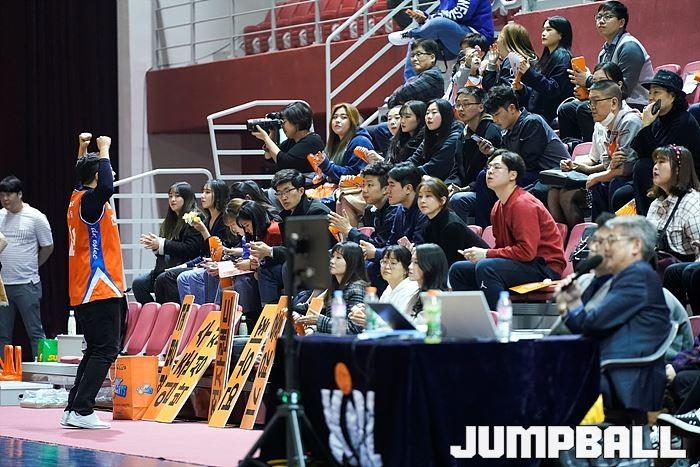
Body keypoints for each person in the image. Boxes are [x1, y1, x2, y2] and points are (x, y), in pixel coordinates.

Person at [555, 215, 671, 422]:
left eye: (612, 241)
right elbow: (588, 328)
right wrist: (571, 304)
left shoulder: (637, 275)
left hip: (626, 375)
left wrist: (575, 307)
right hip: (610, 368)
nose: (605, 248)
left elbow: (591, 325)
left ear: (635, 246)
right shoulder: (631, 275)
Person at [449, 151, 566, 309]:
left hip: (544, 268)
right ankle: (473, 318)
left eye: (497, 167)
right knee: (458, 270)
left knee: (486, 267)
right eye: (489, 167)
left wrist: (486, 254)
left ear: (513, 175)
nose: (490, 171)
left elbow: (527, 252)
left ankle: (498, 320)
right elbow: (504, 248)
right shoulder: (497, 207)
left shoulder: (523, 204)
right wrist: (482, 256)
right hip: (522, 263)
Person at [64, 133, 125, 429]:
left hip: (85, 289)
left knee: (94, 350)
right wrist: (104, 149)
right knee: (105, 350)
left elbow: (83, 176)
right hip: (99, 286)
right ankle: (83, 409)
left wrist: (82, 148)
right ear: (98, 175)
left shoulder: (78, 197)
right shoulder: (91, 201)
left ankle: (73, 408)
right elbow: (106, 187)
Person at [468, 85, 567, 226]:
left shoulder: (532, 121)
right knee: (487, 175)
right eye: (492, 116)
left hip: (548, 174)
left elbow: (528, 162)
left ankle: (488, 226)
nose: (495, 120)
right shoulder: (508, 130)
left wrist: (498, 159)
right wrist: (492, 152)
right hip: (528, 173)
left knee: (488, 176)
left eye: (497, 114)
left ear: (512, 108)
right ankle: (489, 227)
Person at [548, 80, 641, 228]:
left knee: (603, 185)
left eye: (596, 101)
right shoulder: (605, 124)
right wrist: (577, 166)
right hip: (612, 176)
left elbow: (625, 169)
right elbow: (608, 164)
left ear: (614, 103)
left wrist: (597, 176)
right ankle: (578, 238)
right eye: (590, 101)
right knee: (553, 191)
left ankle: (605, 234)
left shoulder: (630, 121)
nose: (591, 107)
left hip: (631, 180)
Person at [561, 0, 654, 141]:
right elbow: (604, 84)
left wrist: (588, 80)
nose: (601, 21)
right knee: (567, 109)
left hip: (635, 104)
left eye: (608, 17)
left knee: (585, 109)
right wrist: (587, 92)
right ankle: (574, 147)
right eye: (598, 17)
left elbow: (624, 89)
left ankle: (594, 148)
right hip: (611, 102)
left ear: (621, 22)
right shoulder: (603, 52)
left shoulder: (629, 47)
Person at [253, 169, 332, 304]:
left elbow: (305, 252)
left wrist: (270, 251)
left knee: (288, 266)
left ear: (301, 191)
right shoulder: (287, 214)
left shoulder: (316, 212)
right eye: (279, 193)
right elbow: (289, 248)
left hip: (322, 265)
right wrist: (263, 258)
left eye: (287, 191)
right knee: (265, 270)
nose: (283, 197)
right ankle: (270, 312)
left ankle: (294, 310)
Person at [631, 70, 700, 215]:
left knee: (642, 167)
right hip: (661, 174)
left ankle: (649, 222)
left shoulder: (684, 122)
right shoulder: (656, 119)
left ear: (672, 96)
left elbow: (663, 158)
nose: (651, 97)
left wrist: (646, 126)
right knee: (620, 193)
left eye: (656, 92)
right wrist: (646, 125)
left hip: (683, 179)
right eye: (650, 93)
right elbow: (640, 153)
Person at [0, 176, 53, 360]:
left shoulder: (35, 217)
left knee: (35, 331)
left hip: (27, 283)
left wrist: (34, 265)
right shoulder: (0, 216)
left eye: (9, 194)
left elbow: (48, 246)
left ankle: (43, 370)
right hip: (3, 285)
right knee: (3, 334)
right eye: (2, 195)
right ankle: (3, 371)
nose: (5, 199)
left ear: (20, 194)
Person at [388, 0, 494, 81]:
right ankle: (410, 84)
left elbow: (460, 14)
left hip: (476, 39)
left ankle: (411, 33)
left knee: (438, 23)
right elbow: (444, 16)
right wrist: (426, 18)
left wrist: (431, 20)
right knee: (418, 42)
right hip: (453, 44)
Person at [131, 182, 201, 305]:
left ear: (187, 197)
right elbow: (165, 248)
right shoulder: (169, 221)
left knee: (163, 278)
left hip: (185, 265)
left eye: (177, 196)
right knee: (139, 284)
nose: (172, 200)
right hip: (165, 267)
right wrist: (156, 246)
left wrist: (162, 244)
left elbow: (191, 249)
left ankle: (168, 312)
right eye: (170, 196)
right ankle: (156, 312)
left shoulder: (194, 218)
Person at [646, 145, 700, 302]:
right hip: (658, 267)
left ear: (678, 170)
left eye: (662, 162)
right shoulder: (655, 204)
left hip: (685, 269)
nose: (655, 167)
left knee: (673, 271)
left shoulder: (692, 203)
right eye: (655, 162)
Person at [448, 86, 503, 223]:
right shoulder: (463, 134)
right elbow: (457, 169)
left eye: (466, 104)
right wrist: (450, 185)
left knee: (458, 199)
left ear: (481, 107)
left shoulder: (491, 131)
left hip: (487, 191)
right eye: (458, 104)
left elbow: (490, 171)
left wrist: (465, 188)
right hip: (467, 188)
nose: (461, 109)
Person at [172, 179, 231, 305]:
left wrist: (204, 231)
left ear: (218, 196)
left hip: (221, 264)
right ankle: (191, 313)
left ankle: (203, 311)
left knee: (189, 277)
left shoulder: (224, 220)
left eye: (207, 192)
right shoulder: (207, 220)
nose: (202, 196)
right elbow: (203, 254)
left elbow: (218, 252)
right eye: (203, 192)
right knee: (181, 277)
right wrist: (185, 265)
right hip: (206, 263)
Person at [295, 241, 367, 334]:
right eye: (332, 257)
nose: (332, 261)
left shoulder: (356, 289)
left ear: (352, 262)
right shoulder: (336, 286)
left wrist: (319, 320)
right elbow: (313, 308)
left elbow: (353, 328)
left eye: (338, 258)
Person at [517, 16, 574, 124]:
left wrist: (529, 73)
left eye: (549, 30)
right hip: (539, 115)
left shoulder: (563, 56)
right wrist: (522, 89)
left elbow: (553, 89)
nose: (543, 33)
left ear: (561, 35)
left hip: (552, 116)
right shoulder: (547, 57)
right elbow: (537, 91)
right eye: (543, 29)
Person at [417, 177, 487, 265]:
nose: (422, 201)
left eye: (428, 196)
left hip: (477, 267)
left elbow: (451, 262)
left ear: (442, 200)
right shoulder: (427, 224)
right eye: (420, 196)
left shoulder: (452, 225)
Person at [329, 161, 397, 249]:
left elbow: (379, 246)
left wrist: (349, 230)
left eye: (370, 185)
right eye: (363, 185)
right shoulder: (369, 211)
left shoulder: (394, 212)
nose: (364, 190)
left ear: (385, 189)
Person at [251, 101, 325, 173]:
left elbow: (284, 163)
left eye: (284, 122)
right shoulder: (293, 140)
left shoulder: (312, 141)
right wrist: (272, 134)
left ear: (296, 121)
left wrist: (266, 138)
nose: (282, 126)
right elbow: (270, 158)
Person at [317, 103, 373, 183]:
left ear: (353, 121)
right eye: (334, 117)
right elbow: (331, 171)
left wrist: (327, 167)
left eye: (344, 117)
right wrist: (323, 176)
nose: (337, 120)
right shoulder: (334, 142)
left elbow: (355, 175)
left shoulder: (361, 141)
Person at [409, 98, 462, 182]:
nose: (429, 117)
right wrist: (398, 170)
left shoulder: (455, 137)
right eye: (427, 113)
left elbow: (432, 169)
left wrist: (404, 173)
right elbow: (413, 160)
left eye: (434, 112)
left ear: (445, 115)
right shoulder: (431, 134)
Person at [386, 39, 445, 108]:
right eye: (412, 56)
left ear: (432, 57)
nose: (414, 59)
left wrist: (396, 96)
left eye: (418, 54)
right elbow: (391, 102)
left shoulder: (433, 76)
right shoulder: (417, 78)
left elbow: (404, 93)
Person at [482, 22, 538, 93]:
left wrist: (491, 66)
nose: (497, 42)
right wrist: (492, 64)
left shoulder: (510, 61)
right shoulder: (533, 58)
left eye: (499, 37)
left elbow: (498, 93)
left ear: (506, 41)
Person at [409, 243, 449, 321]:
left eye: (416, 263)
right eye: (411, 261)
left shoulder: (436, 298)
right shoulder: (416, 293)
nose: (410, 267)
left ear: (430, 266)